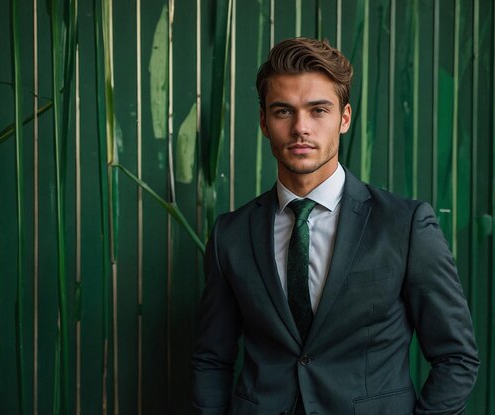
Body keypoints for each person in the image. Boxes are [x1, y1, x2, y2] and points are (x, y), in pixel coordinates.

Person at [192, 37, 479, 415]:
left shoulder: (405, 226)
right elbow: (212, 359)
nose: (300, 128)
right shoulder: (231, 234)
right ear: (263, 121)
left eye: (318, 111)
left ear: (344, 118)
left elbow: (456, 357)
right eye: (283, 112)